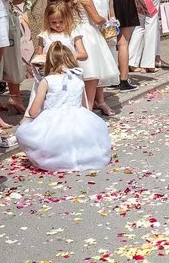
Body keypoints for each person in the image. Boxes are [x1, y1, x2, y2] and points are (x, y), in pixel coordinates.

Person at [17, 41, 112, 172]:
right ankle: (81, 156)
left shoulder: (46, 81)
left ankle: (55, 158)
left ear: (49, 62)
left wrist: (32, 118)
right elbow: (84, 105)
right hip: (78, 116)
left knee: (28, 131)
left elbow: (33, 112)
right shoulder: (78, 79)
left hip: (52, 120)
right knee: (76, 136)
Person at [48, 0, 117, 111]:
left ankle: (75, 106)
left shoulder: (59, 0)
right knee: (91, 75)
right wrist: (106, 20)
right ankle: (89, 107)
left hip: (69, 34)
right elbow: (96, 19)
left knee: (75, 74)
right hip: (88, 35)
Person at [79, 0, 118, 115]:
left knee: (102, 69)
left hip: (105, 35)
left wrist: (113, 23)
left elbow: (111, 12)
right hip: (91, 35)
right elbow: (94, 18)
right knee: (92, 69)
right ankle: (88, 101)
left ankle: (100, 100)